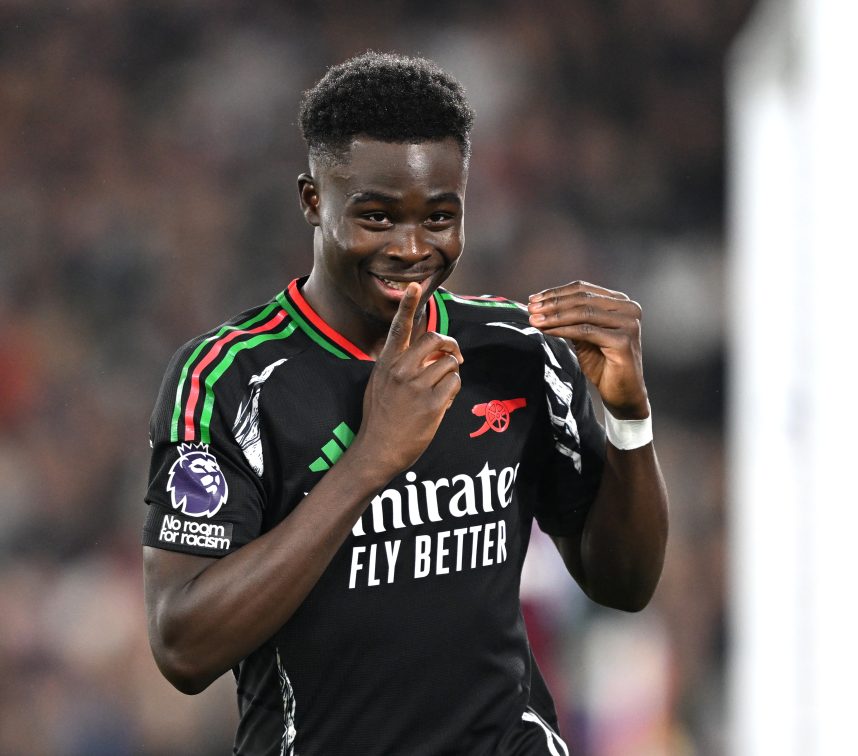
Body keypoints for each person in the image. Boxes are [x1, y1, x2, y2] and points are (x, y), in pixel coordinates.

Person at [142, 52, 668, 756]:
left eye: (440, 217)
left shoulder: (516, 350)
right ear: (312, 200)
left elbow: (624, 584)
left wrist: (628, 420)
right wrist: (370, 461)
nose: (412, 248)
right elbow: (183, 646)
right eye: (377, 217)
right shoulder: (228, 380)